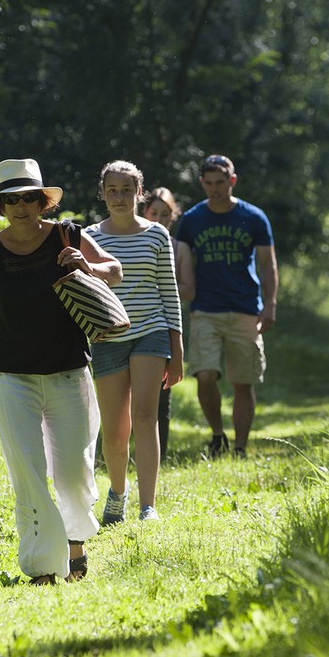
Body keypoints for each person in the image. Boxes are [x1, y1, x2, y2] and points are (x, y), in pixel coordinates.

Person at [0, 158, 122, 585]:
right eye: (10, 199)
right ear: (0, 205)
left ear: (42, 201)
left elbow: (116, 270)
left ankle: (74, 540)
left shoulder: (67, 235)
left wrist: (87, 268)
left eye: (28, 198)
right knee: (28, 473)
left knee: (72, 472)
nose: (20, 206)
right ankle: (42, 566)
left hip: (69, 371)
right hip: (11, 376)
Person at [85, 161, 184, 523]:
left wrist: (177, 349)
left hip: (151, 332)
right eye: (112, 190)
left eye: (127, 189)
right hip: (108, 337)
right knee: (114, 428)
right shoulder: (89, 236)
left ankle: (148, 506)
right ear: (103, 194)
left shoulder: (157, 235)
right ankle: (118, 493)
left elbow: (169, 292)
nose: (119, 197)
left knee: (145, 416)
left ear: (139, 193)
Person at [176, 154, 278, 459]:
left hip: (245, 307)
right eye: (208, 183)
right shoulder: (192, 220)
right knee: (205, 375)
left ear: (232, 181)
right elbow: (181, 262)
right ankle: (217, 435)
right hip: (206, 308)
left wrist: (270, 304)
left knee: (242, 381)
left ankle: (240, 447)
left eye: (220, 183)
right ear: (202, 183)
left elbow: (267, 263)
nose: (215, 189)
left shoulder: (254, 217)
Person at [142, 188, 195, 460]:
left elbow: (189, 289)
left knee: (161, 390)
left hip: (166, 322)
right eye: (155, 213)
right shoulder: (131, 239)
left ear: (173, 217)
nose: (160, 218)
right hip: (132, 321)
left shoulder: (179, 247)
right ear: (144, 212)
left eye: (166, 214)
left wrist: (163, 282)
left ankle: (158, 454)